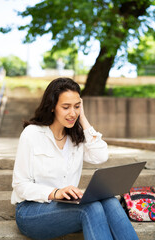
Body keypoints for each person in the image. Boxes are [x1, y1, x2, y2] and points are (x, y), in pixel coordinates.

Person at [11, 77, 139, 240]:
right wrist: (56, 193)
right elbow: (20, 185)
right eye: (66, 107)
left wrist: (83, 119)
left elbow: (101, 156)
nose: (72, 113)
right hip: (31, 211)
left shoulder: (76, 136)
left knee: (110, 201)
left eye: (77, 106)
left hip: (67, 206)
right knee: (91, 208)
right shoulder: (32, 134)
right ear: (52, 107)